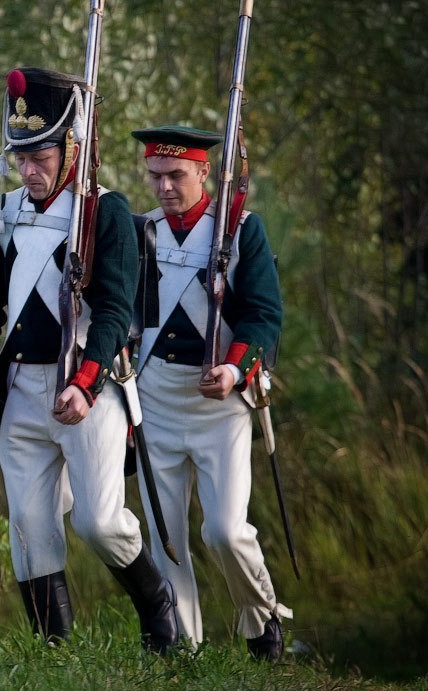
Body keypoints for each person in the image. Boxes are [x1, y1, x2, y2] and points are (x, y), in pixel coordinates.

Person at [0, 67, 178, 653]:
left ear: (72, 148)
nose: (28, 170)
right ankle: (54, 652)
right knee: (30, 529)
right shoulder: (2, 214)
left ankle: (159, 608)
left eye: (41, 156)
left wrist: (85, 382)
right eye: (20, 156)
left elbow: (113, 312)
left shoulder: (107, 212)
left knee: (99, 523)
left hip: (92, 388)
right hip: (22, 391)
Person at [130, 124, 291, 660]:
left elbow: (264, 314)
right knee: (165, 537)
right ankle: (183, 650)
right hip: (155, 400)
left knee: (224, 531)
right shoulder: (141, 231)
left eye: (176, 175)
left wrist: (233, 368)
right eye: (155, 175)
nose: (165, 187)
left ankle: (261, 615)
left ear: (204, 172)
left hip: (219, 405)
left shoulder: (241, 230)